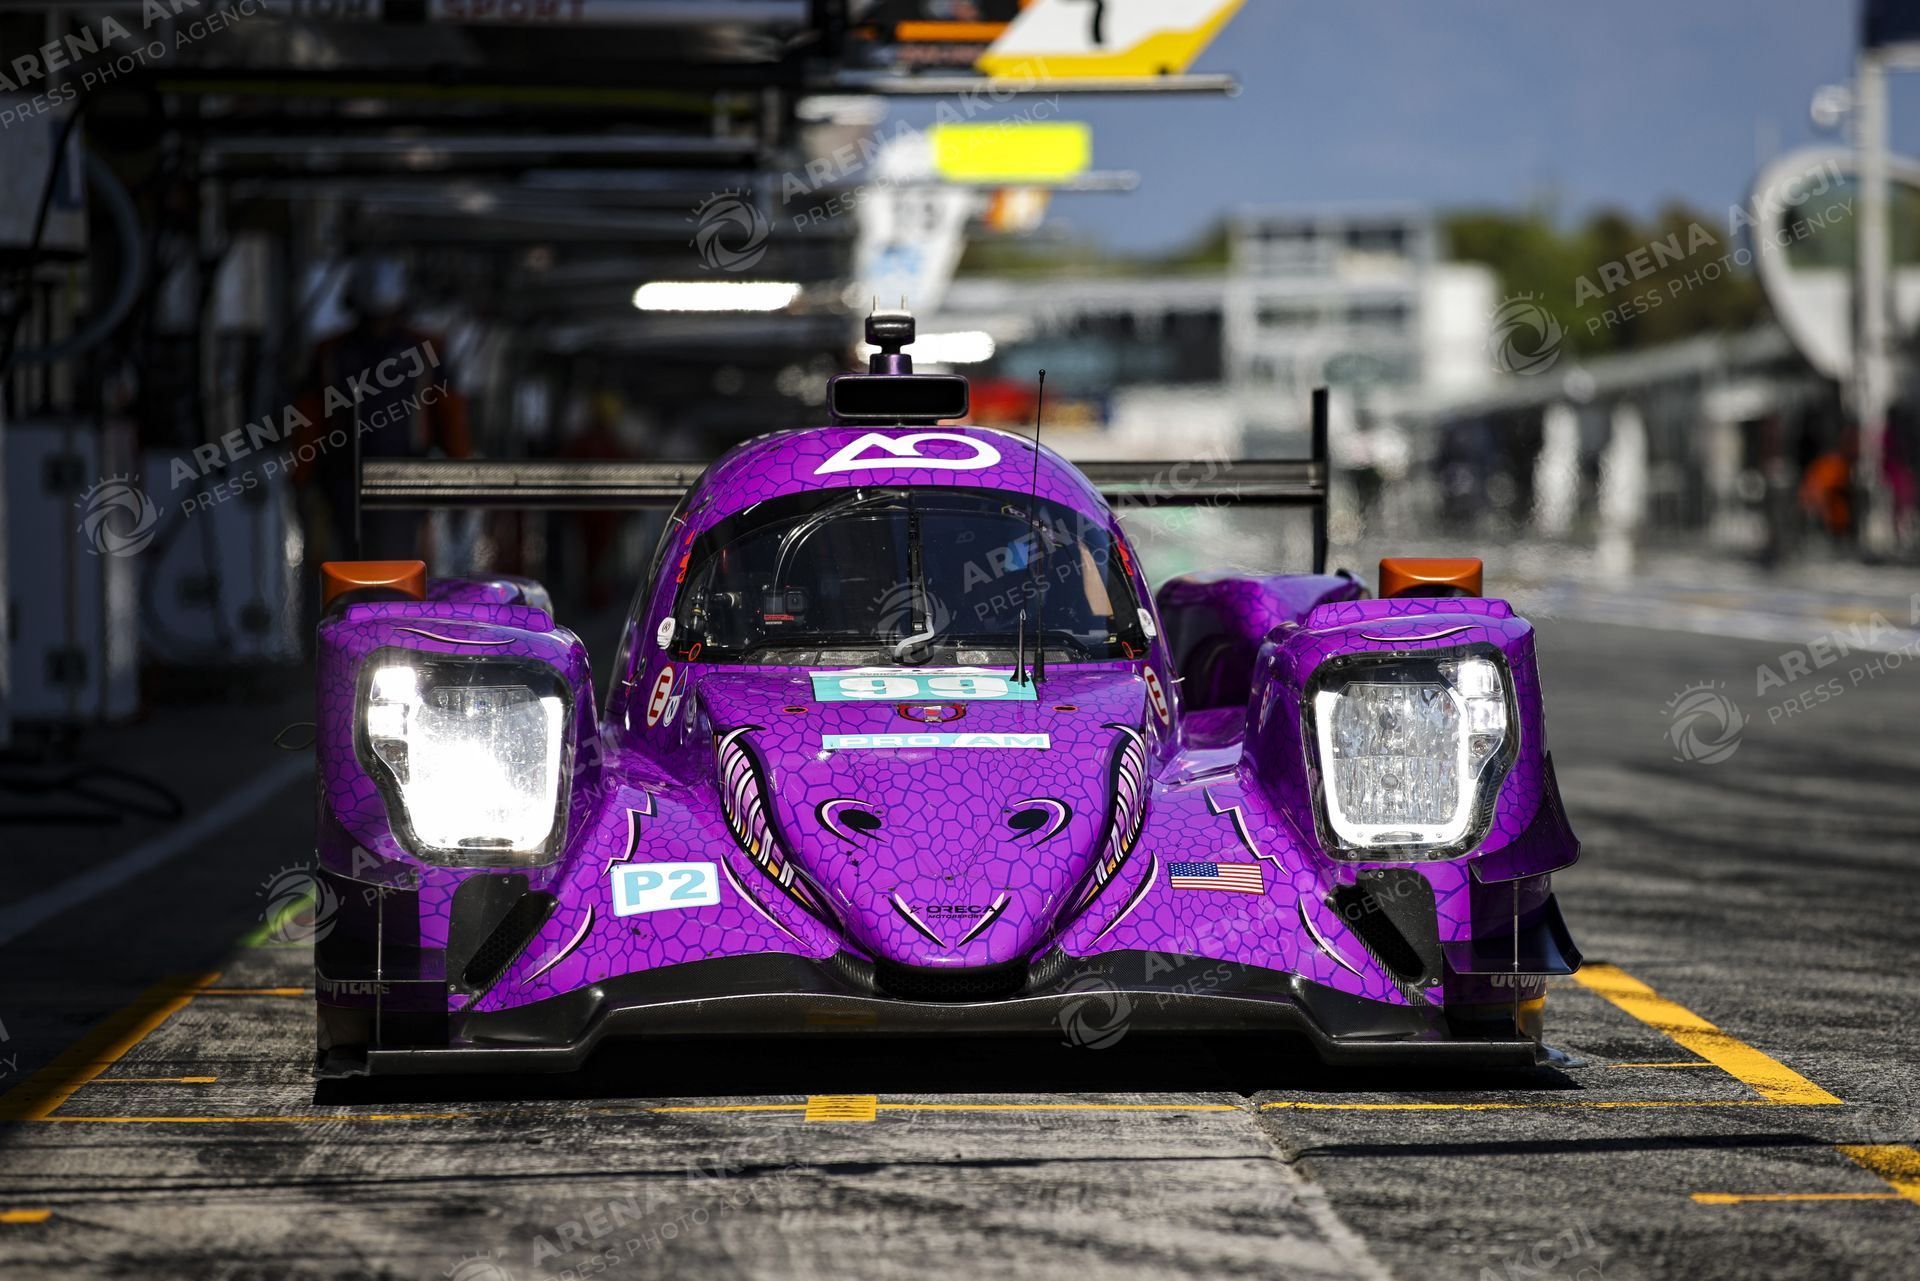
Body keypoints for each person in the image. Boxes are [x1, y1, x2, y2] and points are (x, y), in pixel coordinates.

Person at [292, 255, 471, 564]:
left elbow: (450, 416)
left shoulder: (426, 351)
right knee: (347, 565)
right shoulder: (331, 354)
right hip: (344, 479)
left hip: (405, 480)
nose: (378, 327)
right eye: (371, 318)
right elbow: (310, 419)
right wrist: (302, 479)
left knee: (400, 565)